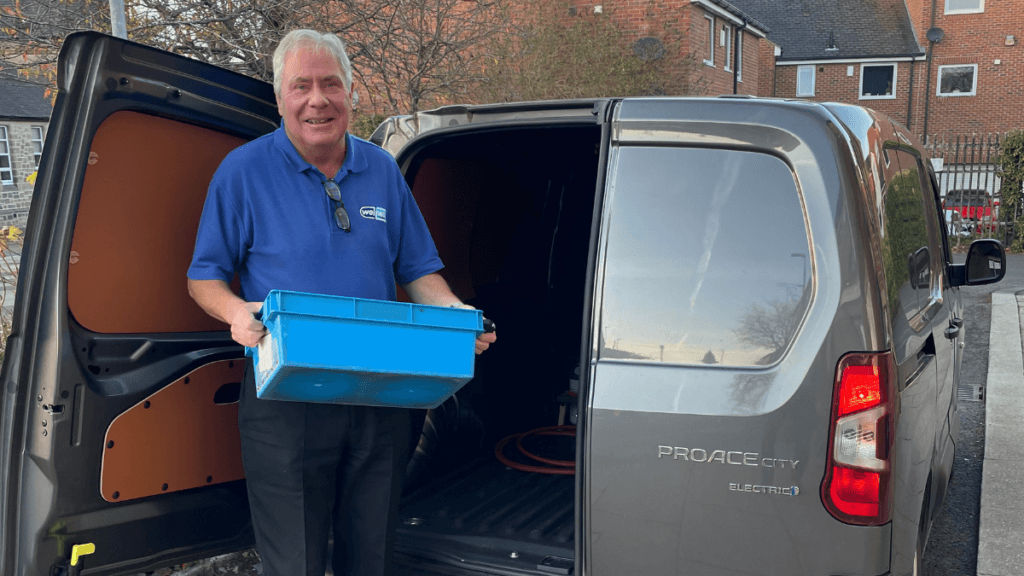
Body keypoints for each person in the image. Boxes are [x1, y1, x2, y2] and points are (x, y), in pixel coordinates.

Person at [186, 29, 495, 576]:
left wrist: (455, 317)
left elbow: (419, 269)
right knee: (295, 562)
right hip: (286, 398)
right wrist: (238, 313)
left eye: (331, 84)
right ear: (281, 97)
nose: (317, 99)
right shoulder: (242, 172)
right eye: (301, 86)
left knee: (371, 555)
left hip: (381, 394)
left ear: (351, 92)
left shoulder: (381, 170)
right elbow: (204, 278)